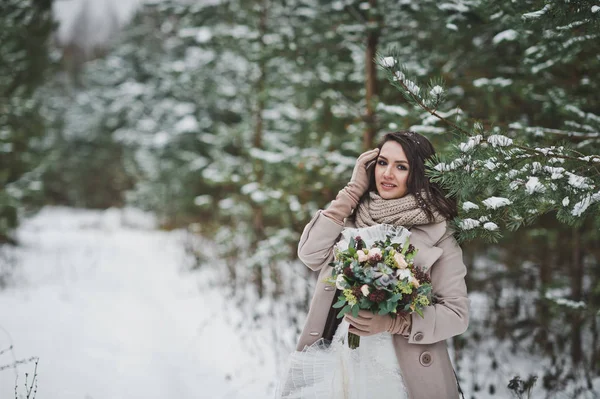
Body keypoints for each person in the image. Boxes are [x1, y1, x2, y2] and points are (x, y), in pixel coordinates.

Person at [292, 131, 469, 399]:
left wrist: (395, 323)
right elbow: (309, 253)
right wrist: (352, 192)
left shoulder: (439, 235)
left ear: (419, 173)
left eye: (401, 167)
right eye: (383, 163)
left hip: (399, 371)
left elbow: (457, 315)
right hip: (340, 359)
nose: (387, 174)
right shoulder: (353, 218)